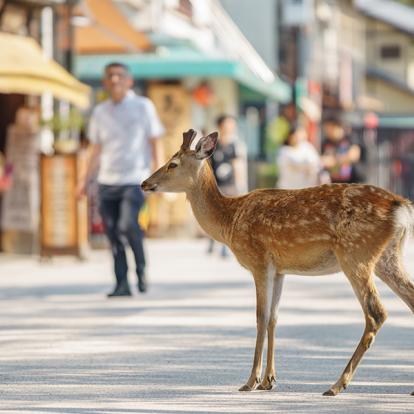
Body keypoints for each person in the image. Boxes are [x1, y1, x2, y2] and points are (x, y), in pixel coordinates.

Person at [77, 62, 164, 297]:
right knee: (113, 233)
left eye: (119, 75)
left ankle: (141, 270)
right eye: (110, 76)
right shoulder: (100, 112)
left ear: (129, 81)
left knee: (128, 225)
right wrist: (83, 181)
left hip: (135, 179)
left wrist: (160, 177)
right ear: (105, 82)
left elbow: (155, 141)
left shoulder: (143, 106)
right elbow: (95, 150)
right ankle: (121, 283)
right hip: (107, 181)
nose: (114, 79)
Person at [208, 115, 247, 257]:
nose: (229, 127)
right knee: (214, 215)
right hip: (215, 185)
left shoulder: (236, 145)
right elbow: (207, 165)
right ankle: (212, 241)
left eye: (232, 124)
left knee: (228, 216)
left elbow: (238, 166)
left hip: (230, 186)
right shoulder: (212, 144)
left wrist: (241, 186)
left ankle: (225, 246)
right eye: (227, 124)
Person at [276, 125, 321, 189]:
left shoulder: (307, 147)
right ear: (290, 137)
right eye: (297, 135)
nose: (299, 137)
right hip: (288, 188)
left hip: (306, 188)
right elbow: (300, 163)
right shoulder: (284, 151)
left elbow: (316, 162)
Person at [321, 117, 363, 184]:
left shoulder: (351, 138)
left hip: (352, 183)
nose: (328, 132)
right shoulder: (326, 143)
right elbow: (322, 160)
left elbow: (353, 156)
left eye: (330, 128)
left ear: (337, 127)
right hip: (334, 183)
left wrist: (334, 161)